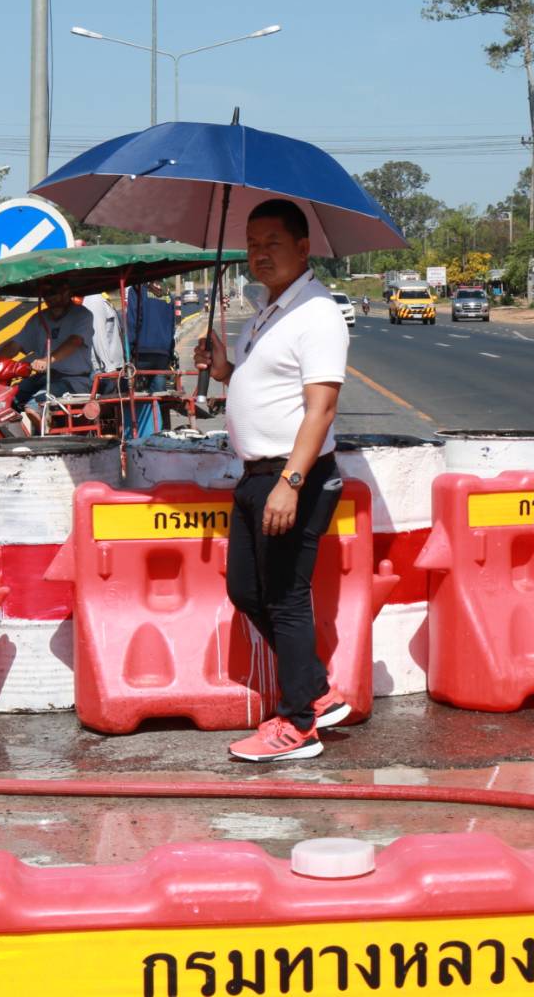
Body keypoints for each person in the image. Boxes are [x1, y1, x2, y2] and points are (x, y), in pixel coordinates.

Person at [193, 197, 351, 763]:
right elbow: (265, 385)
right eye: (252, 245)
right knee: (246, 591)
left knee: (285, 599)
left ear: (303, 248)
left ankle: (298, 724)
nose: (259, 254)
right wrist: (223, 371)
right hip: (256, 474)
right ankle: (315, 689)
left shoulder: (317, 314)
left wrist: (291, 481)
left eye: (272, 244)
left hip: (291, 476)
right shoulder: (268, 310)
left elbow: (320, 409)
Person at [0, 279, 95, 417]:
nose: (49, 297)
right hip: (43, 377)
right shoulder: (38, 319)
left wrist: (46, 360)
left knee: (34, 406)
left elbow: (74, 341)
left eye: (53, 292)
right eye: (45, 293)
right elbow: (15, 346)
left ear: (66, 292)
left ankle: (41, 430)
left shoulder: (82, 315)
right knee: (4, 402)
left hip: (73, 380)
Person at [127, 280, 176, 392]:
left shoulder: (137, 290)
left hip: (142, 353)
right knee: (159, 394)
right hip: (163, 354)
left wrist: (128, 352)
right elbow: (172, 326)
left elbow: (132, 322)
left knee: (137, 394)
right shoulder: (167, 293)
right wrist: (170, 352)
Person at [81, 289, 127, 379]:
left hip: (112, 366)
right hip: (104, 369)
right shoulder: (94, 299)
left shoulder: (102, 298)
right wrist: (109, 368)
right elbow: (97, 335)